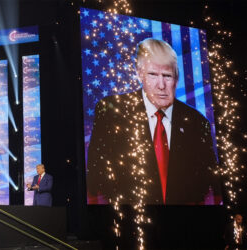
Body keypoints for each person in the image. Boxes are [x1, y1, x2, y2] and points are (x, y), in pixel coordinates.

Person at [87, 38, 221, 205]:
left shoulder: (197, 123)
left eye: (167, 76)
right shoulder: (110, 111)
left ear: (176, 78)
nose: (161, 85)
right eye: (153, 75)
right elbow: (96, 176)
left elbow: (207, 183)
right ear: (139, 73)